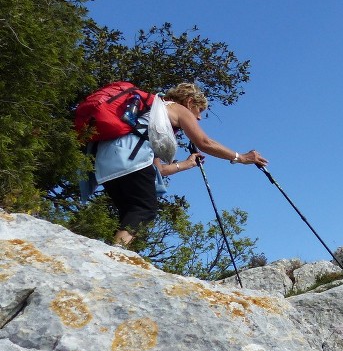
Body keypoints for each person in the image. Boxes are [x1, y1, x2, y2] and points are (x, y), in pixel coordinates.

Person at [95, 82, 268, 247]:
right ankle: (113, 253)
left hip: (106, 162)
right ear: (189, 101)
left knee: (130, 212)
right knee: (144, 209)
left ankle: (113, 250)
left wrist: (187, 163)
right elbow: (205, 142)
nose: (199, 117)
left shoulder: (153, 115)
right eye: (199, 110)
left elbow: (159, 170)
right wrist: (242, 157)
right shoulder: (177, 108)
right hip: (132, 160)